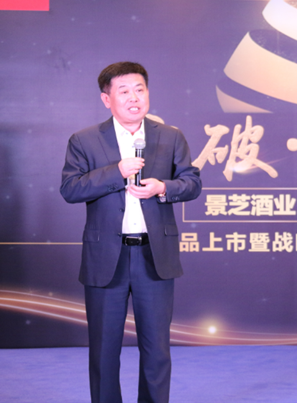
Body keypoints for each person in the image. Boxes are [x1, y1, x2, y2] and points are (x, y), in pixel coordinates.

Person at [60, 62, 202, 403]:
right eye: (123, 91)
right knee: (104, 351)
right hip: (106, 258)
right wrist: (117, 172)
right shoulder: (84, 140)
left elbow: (192, 182)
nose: (133, 98)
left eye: (140, 89)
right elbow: (71, 189)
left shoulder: (170, 136)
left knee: (157, 350)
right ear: (106, 99)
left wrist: (162, 187)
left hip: (154, 257)